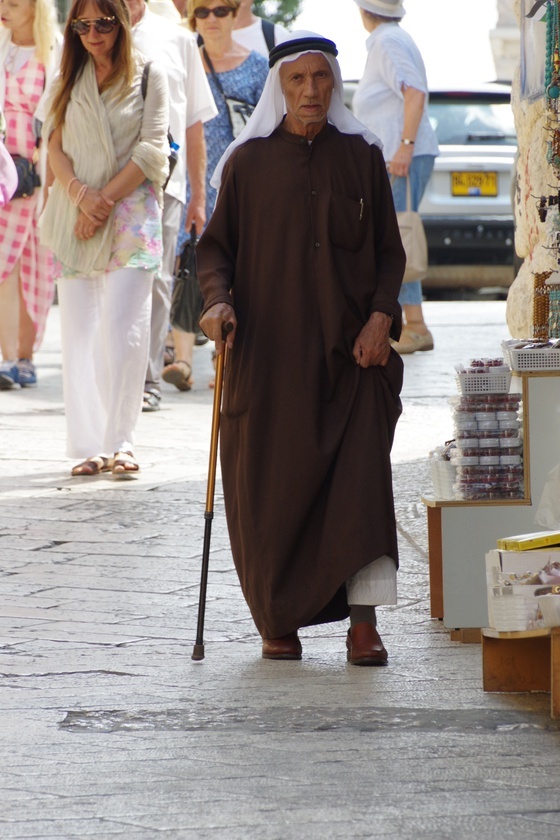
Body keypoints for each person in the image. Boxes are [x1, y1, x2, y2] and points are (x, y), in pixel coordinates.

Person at [197, 31, 405, 664]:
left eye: (321, 79)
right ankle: (278, 616)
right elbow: (214, 251)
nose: (312, 91)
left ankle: (364, 623)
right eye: (298, 81)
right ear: (280, 88)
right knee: (272, 490)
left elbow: (389, 254)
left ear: (335, 84)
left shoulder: (361, 156)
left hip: (352, 360)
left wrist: (380, 316)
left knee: (361, 489)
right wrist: (217, 303)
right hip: (271, 362)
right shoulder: (248, 162)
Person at [39, 0, 170, 476]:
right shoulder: (66, 78)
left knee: (122, 330)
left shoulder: (151, 74)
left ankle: (122, 440)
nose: (93, 33)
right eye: (83, 24)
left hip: (130, 210)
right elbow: (53, 145)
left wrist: (104, 200)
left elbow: (154, 149)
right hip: (75, 213)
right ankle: (93, 445)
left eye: (103, 23)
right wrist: (81, 196)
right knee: (82, 333)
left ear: (122, 21)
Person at [161, 0, 267, 392]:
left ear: (235, 13)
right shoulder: (183, 62)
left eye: (220, 10)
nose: (211, 19)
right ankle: (184, 361)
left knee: (236, 269)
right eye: (201, 11)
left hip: (242, 187)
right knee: (188, 267)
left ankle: (226, 358)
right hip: (192, 183)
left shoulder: (258, 66)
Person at [123, 0, 217, 412]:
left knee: (157, 281)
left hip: (165, 184)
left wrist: (199, 194)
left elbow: (194, 123)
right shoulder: (90, 32)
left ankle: (144, 379)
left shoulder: (179, 40)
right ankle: (113, 376)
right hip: (98, 180)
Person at [352, 0, 439, 355]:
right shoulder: (390, 38)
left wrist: (404, 145)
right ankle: (416, 325)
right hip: (403, 154)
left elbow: (414, 91)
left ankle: (411, 327)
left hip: (403, 156)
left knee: (396, 238)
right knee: (396, 235)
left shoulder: (387, 41)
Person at [0, 0, 60, 390]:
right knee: (4, 266)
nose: (5, 7)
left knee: (31, 266)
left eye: (15, 2)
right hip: (2, 167)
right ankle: (7, 357)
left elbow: (57, 119)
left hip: (34, 174)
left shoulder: (53, 49)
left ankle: (24, 357)